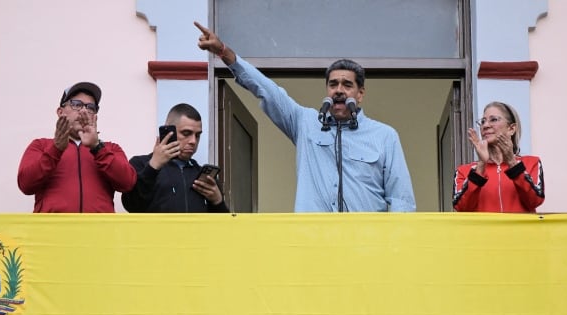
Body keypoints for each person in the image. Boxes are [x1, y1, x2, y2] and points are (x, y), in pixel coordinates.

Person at [193, 22, 415, 213]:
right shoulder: (306, 123)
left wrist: (394, 248)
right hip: (312, 244)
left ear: (360, 94)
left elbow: (401, 200)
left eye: (347, 85)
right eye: (333, 84)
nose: (339, 90)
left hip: (365, 246)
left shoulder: (385, 136)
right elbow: (268, 91)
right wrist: (225, 52)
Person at [17, 82, 136, 213]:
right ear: (60, 112)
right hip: (52, 232)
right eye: (76, 104)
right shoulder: (41, 146)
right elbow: (25, 184)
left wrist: (97, 148)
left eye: (90, 107)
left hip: (99, 231)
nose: (84, 110)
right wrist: (55, 150)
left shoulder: (110, 148)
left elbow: (128, 183)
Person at [121, 103, 229, 213]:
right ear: (168, 132)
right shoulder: (141, 164)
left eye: (197, 135)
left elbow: (225, 226)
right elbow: (131, 205)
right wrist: (153, 167)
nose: (193, 141)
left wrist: (218, 201)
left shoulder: (203, 176)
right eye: (186, 133)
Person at [453, 101, 545, 213]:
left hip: (520, 231)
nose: (485, 125)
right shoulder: (464, 171)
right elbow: (462, 207)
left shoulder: (531, 163)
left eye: (494, 119)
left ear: (511, 129)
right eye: (483, 121)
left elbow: (535, 200)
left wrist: (511, 162)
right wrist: (481, 164)